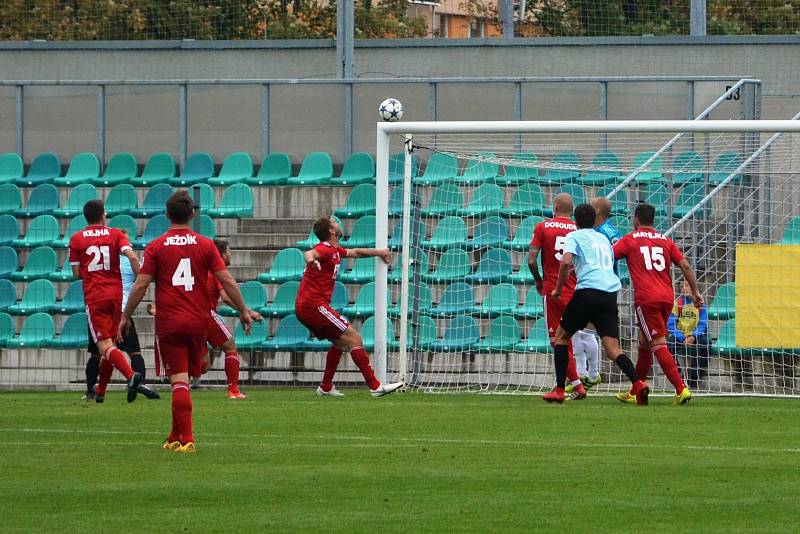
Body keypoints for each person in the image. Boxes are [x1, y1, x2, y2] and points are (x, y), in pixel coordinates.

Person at [121, 191, 261, 453]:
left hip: (170, 321)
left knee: (179, 380)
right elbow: (227, 280)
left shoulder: (156, 246)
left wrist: (125, 315)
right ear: (193, 214)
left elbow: (140, 285)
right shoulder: (207, 245)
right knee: (186, 376)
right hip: (199, 321)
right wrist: (243, 309)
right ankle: (175, 435)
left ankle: (188, 438)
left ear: (166, 215)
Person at [545, 203, 650, 405]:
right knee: (612, 349)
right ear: (594, 220)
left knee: (561, 337)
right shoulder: (603, 238)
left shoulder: (573, 236)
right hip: (609, 293)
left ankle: (559, 390)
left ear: (575, 222)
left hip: (587, 291)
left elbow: (566, 262)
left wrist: (558, 289)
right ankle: (637, 383)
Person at [297, 217, 403, 397]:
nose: (338, 224)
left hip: (308, 307)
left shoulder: (334, 249)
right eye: (334, 223)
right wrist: (311, 260)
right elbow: (310, 253)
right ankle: (376, 386)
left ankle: (325, 387)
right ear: (331, 230)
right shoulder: (324, 248)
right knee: (355, 339)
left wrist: (379, 252)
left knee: (339, 342)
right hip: (313, 306)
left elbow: (355, 252)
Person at [613, 203, 703, 406]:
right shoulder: (666, 240)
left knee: (657, 343)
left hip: (647, 299)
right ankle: (637, 389)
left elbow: (609, 255)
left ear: (635, 220)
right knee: (644, 344)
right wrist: (695, 292)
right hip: (666, 297)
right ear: (653, 220)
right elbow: (685, 265)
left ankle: (681, 389)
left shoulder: (629, 240)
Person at [69, 199, 143, 403]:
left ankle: (130, 376)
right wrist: (140, 280)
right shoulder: (116, 234)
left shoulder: (76, 239)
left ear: (86, 217)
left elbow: (76, 273)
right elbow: (133, 257)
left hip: (96, 296)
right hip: (116, 297)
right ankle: (101, 391)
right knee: (111, 345)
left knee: (104, 347)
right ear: (103, 215)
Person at [528, 193, 587, 399]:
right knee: (572, 337)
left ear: (554, 207)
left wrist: (538, 280)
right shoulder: (578, 230)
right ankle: (578, 381)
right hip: (576, 291)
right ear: (571, 210)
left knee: (558, 341)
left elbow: (531, 261)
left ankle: (577, 385)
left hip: (554, 291)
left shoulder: (543, 227)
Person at [84, 242, 160, 402]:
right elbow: (143, 284)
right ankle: (138, 383)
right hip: (121, 308)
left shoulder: (101, 262)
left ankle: (94, 391)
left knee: (99, 352)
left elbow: (81, 274)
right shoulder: (130, 261)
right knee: (133, 352)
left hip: (99, 306)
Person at [668, 278, 710, 389]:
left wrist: (693, 336)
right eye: (682, 286)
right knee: (668, 345)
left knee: (705, 343)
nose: (684, 289)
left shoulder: (700, 303)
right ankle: (677, 373)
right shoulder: (677, 303)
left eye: (687, 285)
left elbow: (703, 324)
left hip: (696, 336)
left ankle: (694, 376)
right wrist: (682, 338)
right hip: (681, 336)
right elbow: (670, 325)